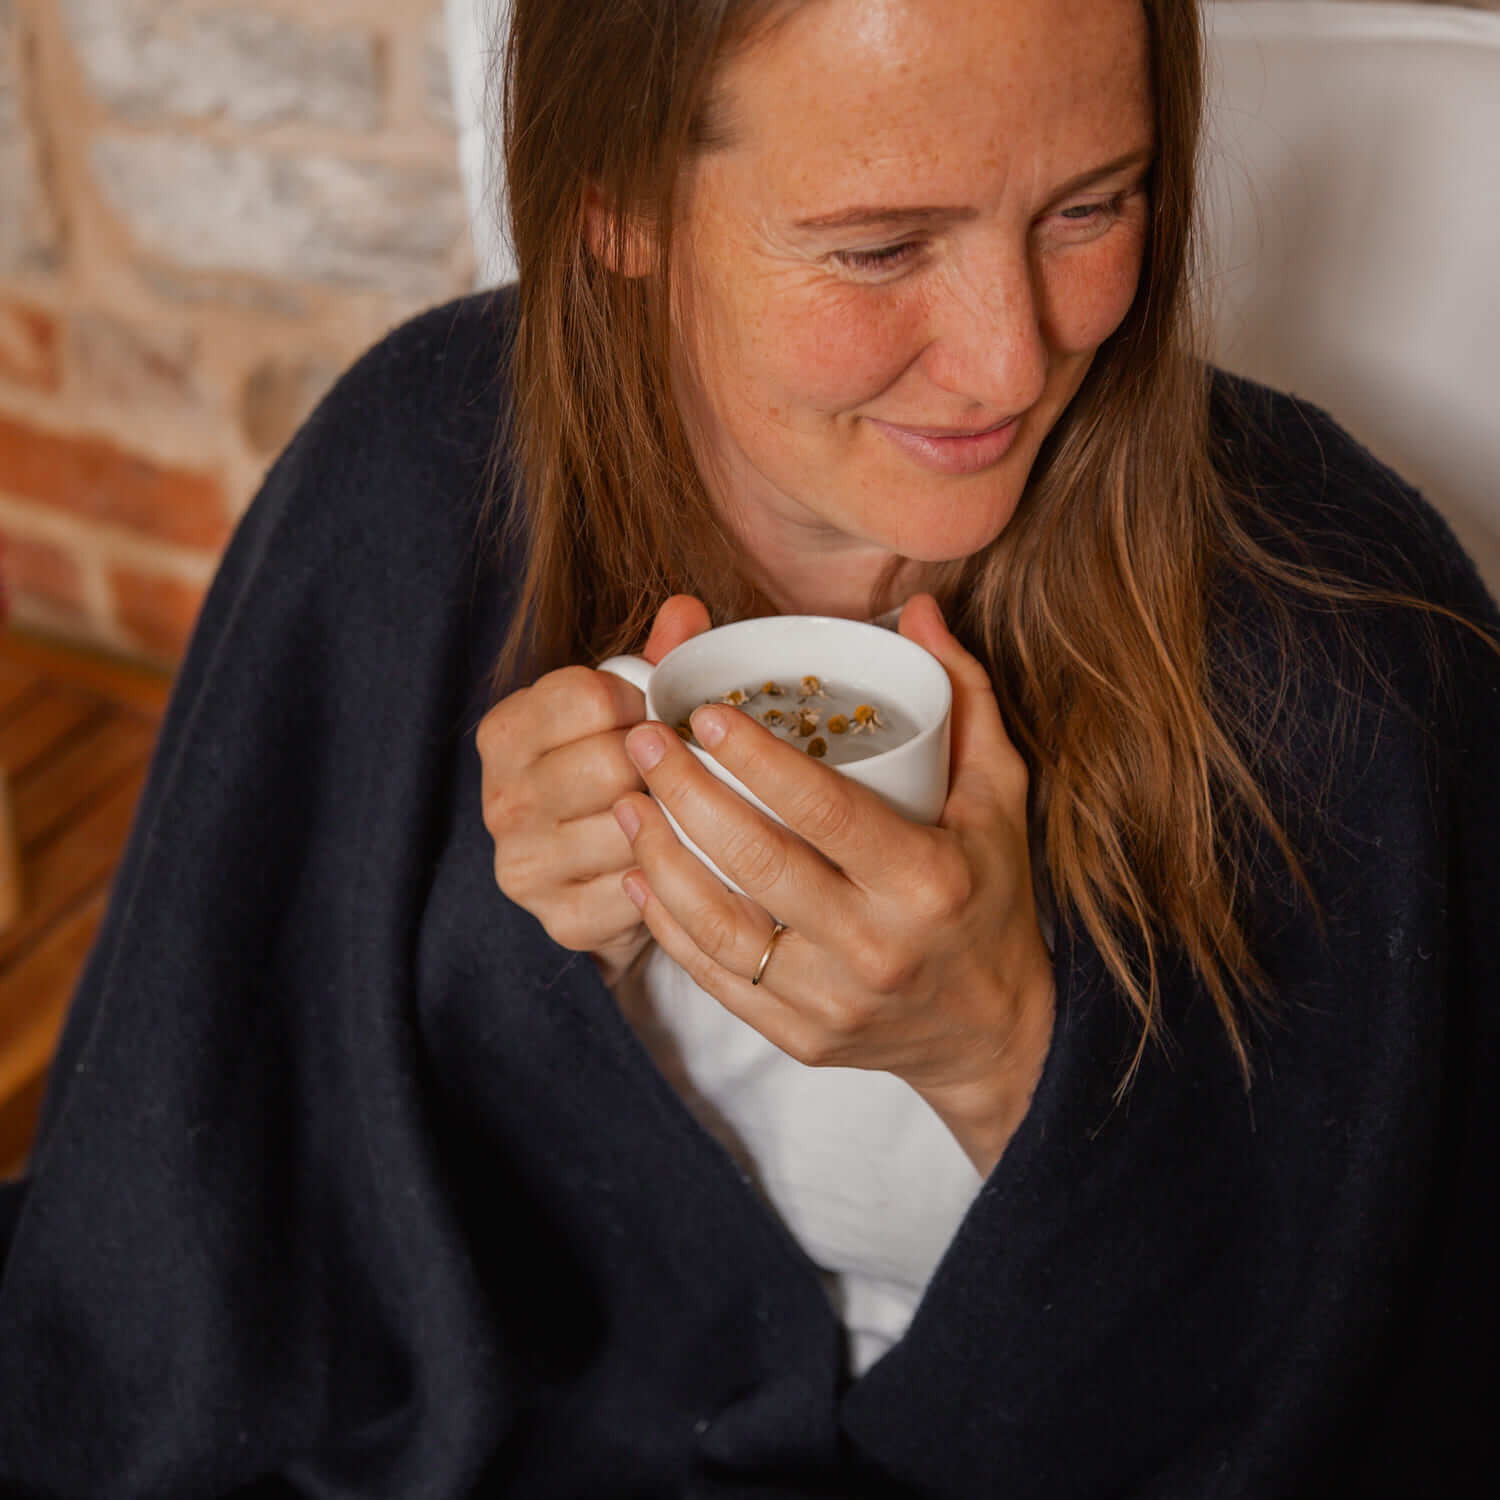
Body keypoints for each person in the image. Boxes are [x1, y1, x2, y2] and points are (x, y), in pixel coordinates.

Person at [0, 0, 1495, 1494]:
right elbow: (190, 1236)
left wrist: (1004, 1061)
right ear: (619, 206)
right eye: (878, 248)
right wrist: (528, 950)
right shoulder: (413, 483)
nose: (1008, 360)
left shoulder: (1347, 637)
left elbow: (1377, 1383)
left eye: (1091, 207)